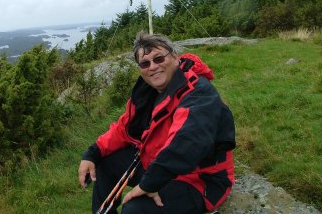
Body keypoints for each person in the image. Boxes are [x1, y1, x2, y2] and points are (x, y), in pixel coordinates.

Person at [78, 32, 235, 214]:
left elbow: (187, 143)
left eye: (159, 59)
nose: (153, 67)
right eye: (145, 63)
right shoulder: (150, 91)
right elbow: (124, 128)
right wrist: (92, 153)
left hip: (198, 179)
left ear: (175, 57)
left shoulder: (198, 94)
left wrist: (149, 184)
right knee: (104, 162)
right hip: (159, 164)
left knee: (135, 210)